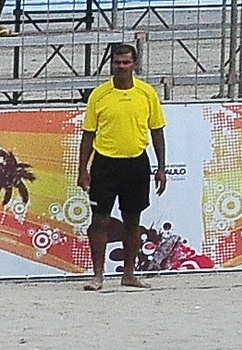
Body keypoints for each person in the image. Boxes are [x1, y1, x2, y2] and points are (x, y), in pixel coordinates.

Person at [77, 43, 168, 290]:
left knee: (132, 220)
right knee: (100, 221)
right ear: (111, 65)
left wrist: (161, 167)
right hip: (105, 163)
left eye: (126, 62)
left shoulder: (147, 93)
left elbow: (157, 131)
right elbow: (88, 135)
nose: (122, 66)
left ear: (135, 65)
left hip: (136, 162)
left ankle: (129, 274)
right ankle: (98, 276)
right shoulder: (100, 95)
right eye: (117, 62)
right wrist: (82, 169)